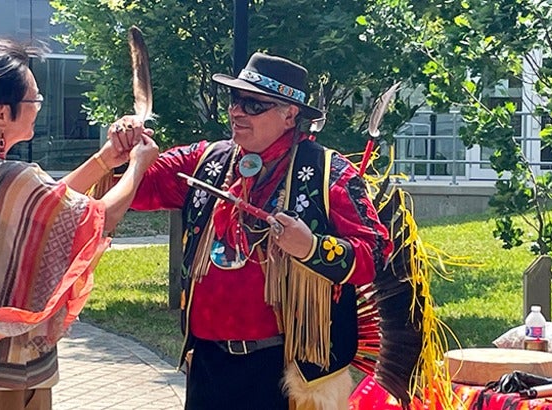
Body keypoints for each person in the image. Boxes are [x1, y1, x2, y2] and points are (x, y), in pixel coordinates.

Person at [110, 53, 392, 409]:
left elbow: (376, 253)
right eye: (235, 100)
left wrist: (311, 248)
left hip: (286, 371)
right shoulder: (208, 161)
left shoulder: (327, 172)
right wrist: (119, 154)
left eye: (254, 104)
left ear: (290, 115)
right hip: (209, 364)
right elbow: (134, 188)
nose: (236, 112)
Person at [0, 38, 158, 410]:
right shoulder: (9, 175)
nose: (38, 109)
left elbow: (44, 206)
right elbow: (98, 218)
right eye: (33, 101)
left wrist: (106, 160)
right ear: (0, 115)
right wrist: (139, 164)